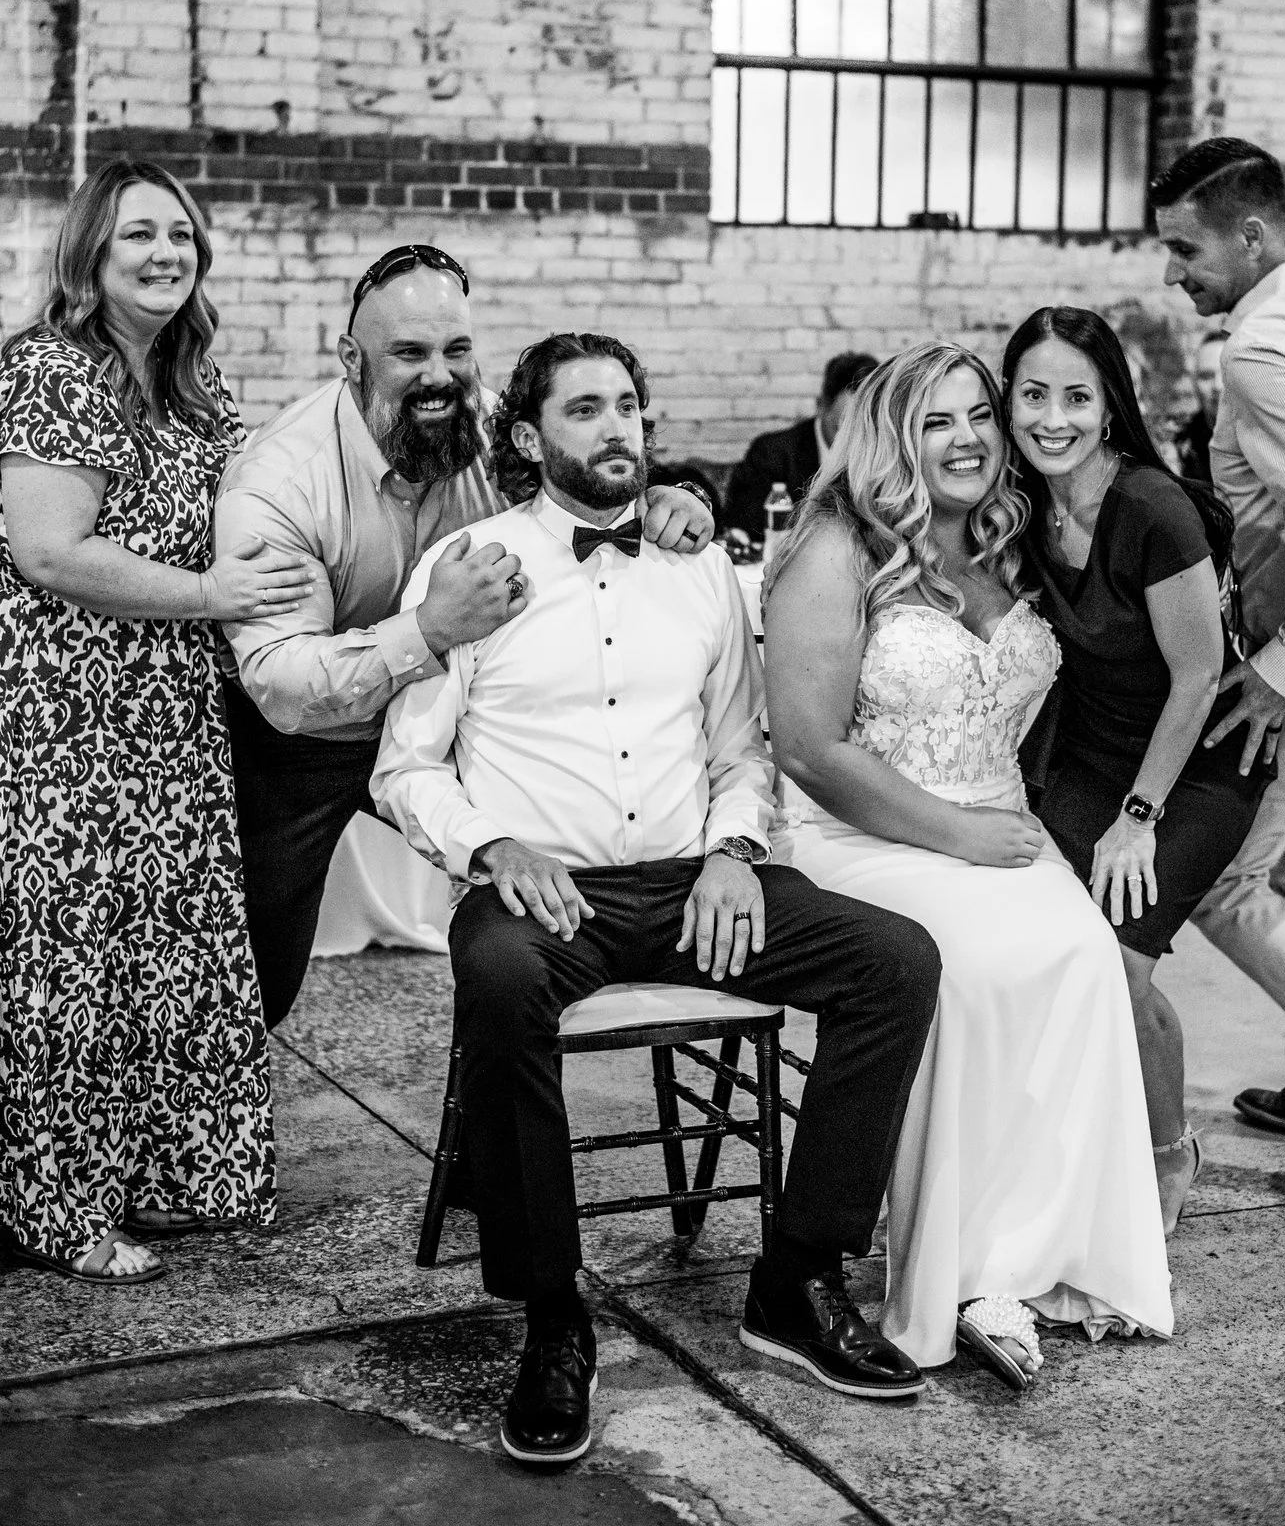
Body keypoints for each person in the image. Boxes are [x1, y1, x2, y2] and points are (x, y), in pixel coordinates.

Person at [372, 331, 941, 1465]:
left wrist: (737, 847)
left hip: (696, 880)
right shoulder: (473, 565)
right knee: (495, 975)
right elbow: (405, 765)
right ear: (530, 439)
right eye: (584, 409)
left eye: (627, 403)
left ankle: (798, 1277)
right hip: (544, 889)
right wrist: (491, 846)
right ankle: (552, 1317)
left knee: (896, 959)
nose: (616, 425)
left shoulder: (700, 567)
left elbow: (742, 746)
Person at [763, 344, 1171, 1390]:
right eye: (937, 419)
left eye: (980, 415)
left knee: (1085, 962)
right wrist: (954, 834)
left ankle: (1050, 1259)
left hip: (1003, 821)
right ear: (894, 433)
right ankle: (967, 1270)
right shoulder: (837, 548)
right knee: (978, 971)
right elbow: (809, 748)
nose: (967, 438)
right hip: (865, 832)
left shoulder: (1011, 540)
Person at [215, 245, 717, 1032]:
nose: (441, 377)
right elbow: (278, 681)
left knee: (520, 937)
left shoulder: (482, 422)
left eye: (456, 351)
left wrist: (662, 493)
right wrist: (427, 628)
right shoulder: (278, 482)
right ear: (352, 358)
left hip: (449, 724)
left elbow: (580, 470)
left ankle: (510, 1087)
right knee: (255, 977)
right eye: (409, 354)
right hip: (303, 742)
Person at [0, 160, 303, 1284]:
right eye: (139, 234)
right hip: (65, 716)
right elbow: (48, 549)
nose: (166, 252)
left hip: (171, 712)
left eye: (181, 232)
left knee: (166, 944)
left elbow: (266, 517)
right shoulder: (50, 369)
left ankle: (172, 1171)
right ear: (91, 251)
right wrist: (212, 596)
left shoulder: (195, 386)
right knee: (73, 955)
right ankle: (57, 1203)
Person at [1001, 307, 1268, 1236]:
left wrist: (1139, 816)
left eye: (1077, 395)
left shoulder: (1152, 509)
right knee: (1048, 954)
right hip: (1086, 756)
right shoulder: (1022, 502)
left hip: (1192, 768)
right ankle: (1068, 1141)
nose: (1053, 418)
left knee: (1119, 963)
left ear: (1110, 404)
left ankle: (1167, 1149)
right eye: (1033, 394)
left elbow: (1196, 677)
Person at [1151, 137, 1285, 1165]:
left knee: (1218, 880)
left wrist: (1282, 666)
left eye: (1184, 248)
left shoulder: (1263, 346)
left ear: (1250, 232)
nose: (1173, 272)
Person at [725, 352, 879, 545]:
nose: (855, 436)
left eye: (865, 424)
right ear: (821, 406)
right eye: (845, 425)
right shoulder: (772, 452)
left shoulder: (882, 455)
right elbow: (745, 524)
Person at [1171, 329, 1229, 487]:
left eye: (1225, 374)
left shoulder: (1263, 438)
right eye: (1206, 376)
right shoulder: (1178, 447)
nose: (1217, 386)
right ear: (1194, 383)